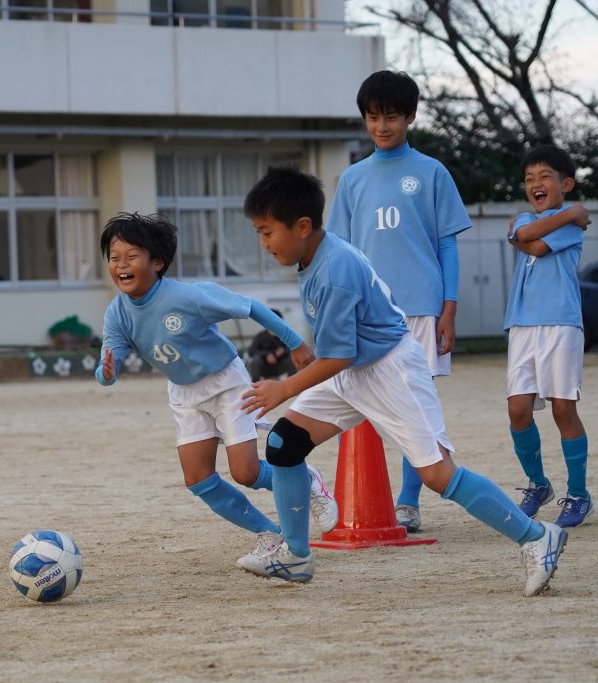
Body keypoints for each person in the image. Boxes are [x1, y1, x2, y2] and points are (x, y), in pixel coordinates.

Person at [238, 167, 568, 597]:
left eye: (267, 233)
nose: (263, 244)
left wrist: (285, 387)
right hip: (355, 369)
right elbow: (342, 355)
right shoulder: (312, 256)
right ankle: (296, 555)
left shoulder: (335, 269)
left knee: (437, 474)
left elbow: (339, 356)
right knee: (284, 444)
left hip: (391, 371)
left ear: (302, 227)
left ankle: (536, 536)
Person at [94, 212, 339, 567]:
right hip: (184, 394)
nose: (121, 265)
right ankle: (272, 536)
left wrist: (295, 343)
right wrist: (105, 372)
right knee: (198, 478)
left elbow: (251, 307)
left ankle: (308, 480)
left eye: (131, 256)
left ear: (157, 262)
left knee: (246, 473)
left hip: (225, 383)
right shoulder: (117, 313)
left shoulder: (189, 296)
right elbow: (108, 365)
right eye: (114, 258)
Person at [325, 70, 472, 534]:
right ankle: (365, 498)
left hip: (421, 305)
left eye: (391, 117)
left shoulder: (432, 172)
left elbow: (448, 245)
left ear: (410, 116)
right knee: (361, 399)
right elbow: (339, 254)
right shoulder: (351, 180)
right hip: (368, 311)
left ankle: (408, 502)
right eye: (373, 117)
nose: (382, 126)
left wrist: (448, 308)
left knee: (415, 406)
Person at [504, 145, 594, 528]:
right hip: (522, 325)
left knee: (562, 409)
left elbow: (533, 243)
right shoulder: (541, 216)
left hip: (561, 324)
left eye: (544, 177)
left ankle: (578, 494)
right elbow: (521, 231)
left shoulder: (572, 223)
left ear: (566, 184)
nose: (535, 184)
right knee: (518, 409)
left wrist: (568, 215)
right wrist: (526, 232)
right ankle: (538, 485)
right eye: (529, 179)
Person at [245, 308, 297, 382]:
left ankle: (292, 383)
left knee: (292, 358)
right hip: (264, 367)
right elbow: (251, 351)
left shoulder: (285, 335)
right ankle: (255, 385)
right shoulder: (260, 336)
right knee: (255, 361)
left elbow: (294, 348)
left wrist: (283, 351)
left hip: (279, 366)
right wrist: (266, 355)